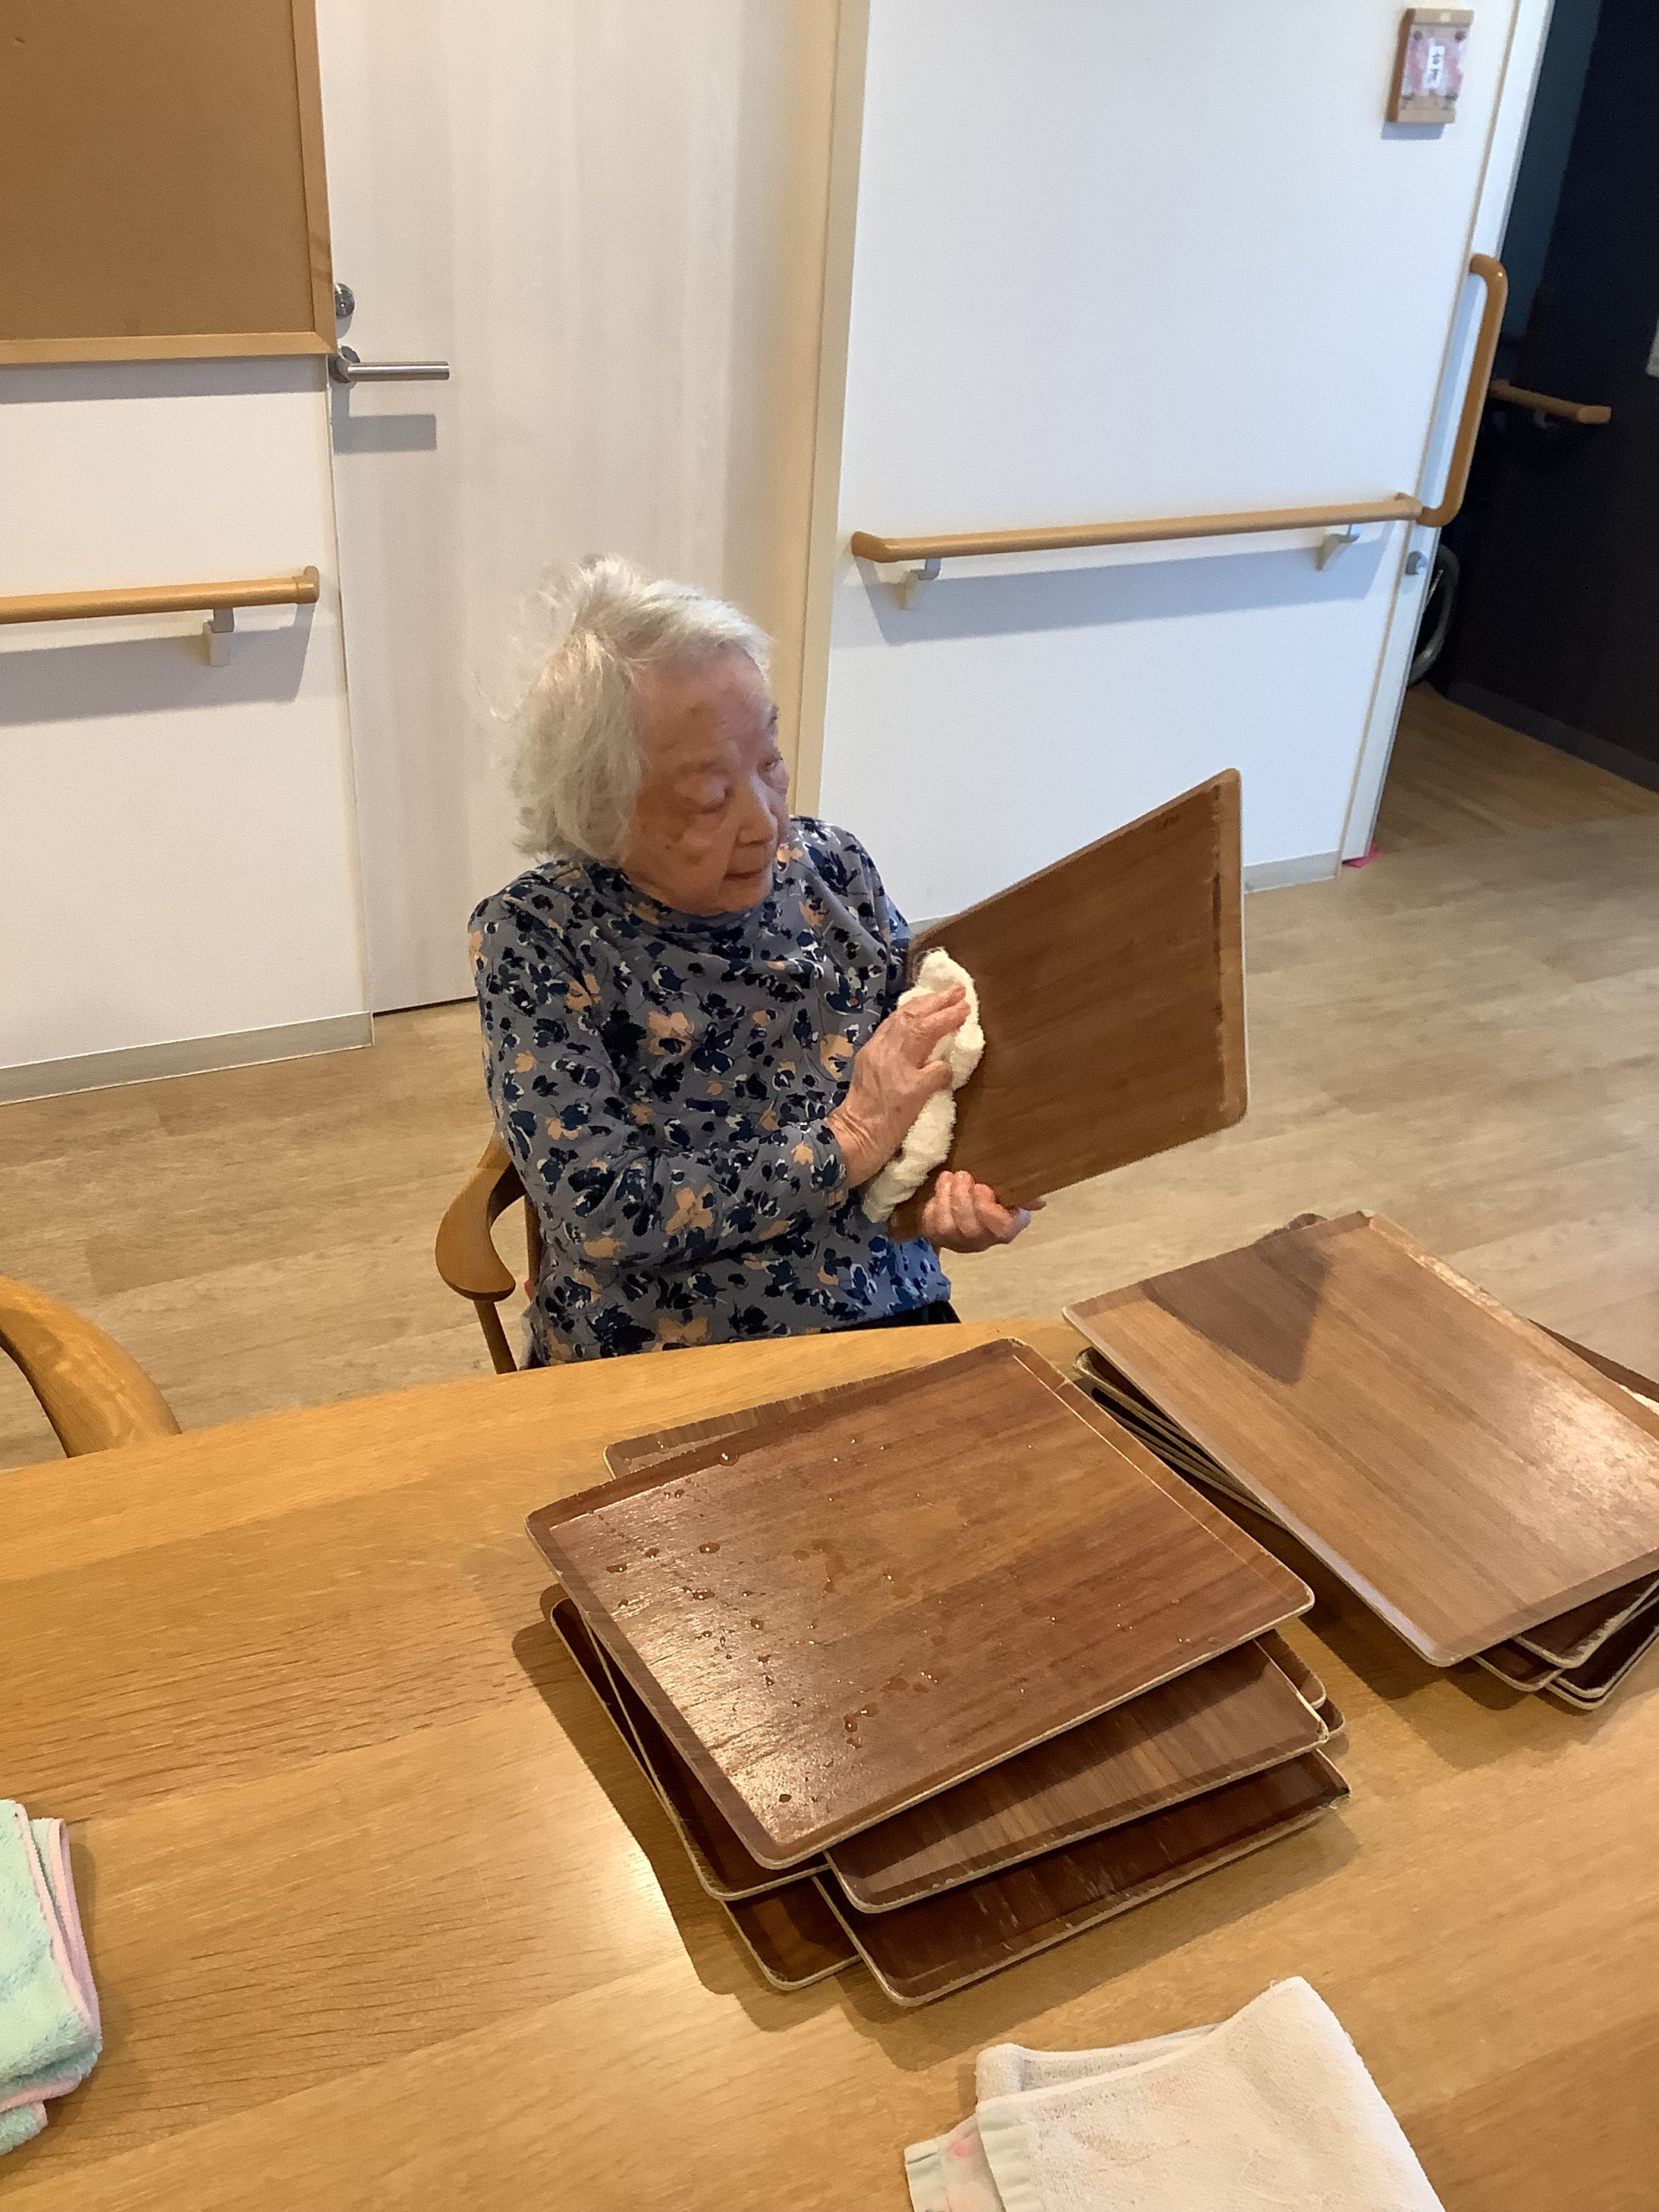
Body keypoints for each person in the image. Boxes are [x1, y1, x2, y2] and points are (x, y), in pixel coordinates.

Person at [469, 556, 1037, 1363]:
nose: (765, 822)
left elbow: (942, 1080)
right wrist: (847, 1141)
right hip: (659, 1352)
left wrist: (983, 1182)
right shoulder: (537, 936)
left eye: (769, 762)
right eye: (709, 798)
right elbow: (601, 1209)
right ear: (600, 811)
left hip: (884, 1307)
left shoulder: (837, 869)